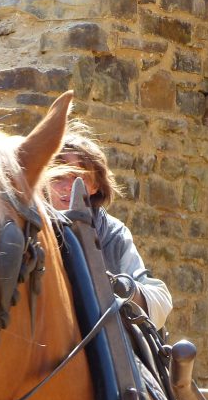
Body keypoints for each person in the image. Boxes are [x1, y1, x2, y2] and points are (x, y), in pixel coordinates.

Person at [46, 128, 173, 329]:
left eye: (79, 177)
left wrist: (117, 286)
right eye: (59, 176)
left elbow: (159, 300)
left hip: (102, 340)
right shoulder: (28, 228)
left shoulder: (114, 234)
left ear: (96, 185)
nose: (68, 186)